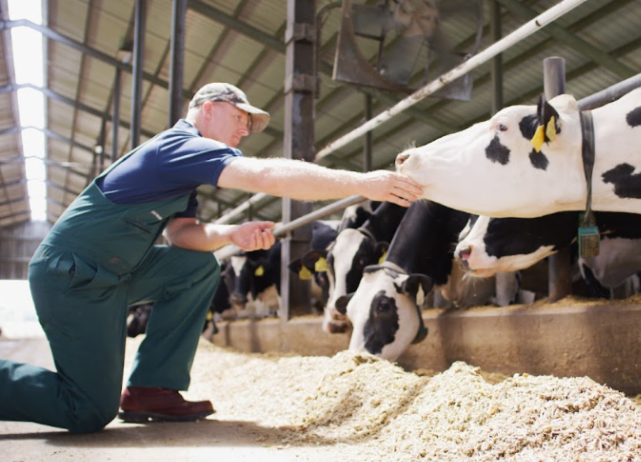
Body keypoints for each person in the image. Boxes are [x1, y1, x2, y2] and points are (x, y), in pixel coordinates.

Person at [0, 83, 422, 433]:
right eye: (240, 118)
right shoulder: (180, 146)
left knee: (197, 268)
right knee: (88, 410)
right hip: (72, 278)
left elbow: (183, 236)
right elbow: (264, 175)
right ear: (209, 109)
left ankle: (152, 388)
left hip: (113, 274)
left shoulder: (184, 176)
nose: (244, 130)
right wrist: (362, 182)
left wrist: (232, 234)